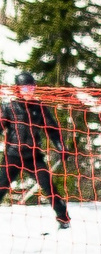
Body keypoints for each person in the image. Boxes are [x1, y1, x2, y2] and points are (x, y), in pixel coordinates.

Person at [1, 71, 70, 232]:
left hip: (33, 156)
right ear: (18, 89)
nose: (29, 91)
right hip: (12, 155)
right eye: (25, 88)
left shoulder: (39, 108)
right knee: (1, 187)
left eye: (32, 87)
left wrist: (60, 146)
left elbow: (52, 129)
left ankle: (64, 219)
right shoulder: (8, 108)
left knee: (49, 186)